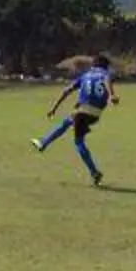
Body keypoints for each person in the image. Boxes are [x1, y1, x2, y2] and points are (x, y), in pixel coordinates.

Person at [31, 54, 119, 186]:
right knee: (68, 121)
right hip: (95, 114)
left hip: (83, 111)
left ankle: (94, 172)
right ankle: (44, 142)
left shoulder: (86, 75)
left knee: (78, 142)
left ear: (93, 65)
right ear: (105, 66)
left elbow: (67, 91)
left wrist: (54, 108)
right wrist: (111, 95)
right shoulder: (105, 74)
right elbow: (106, 81)